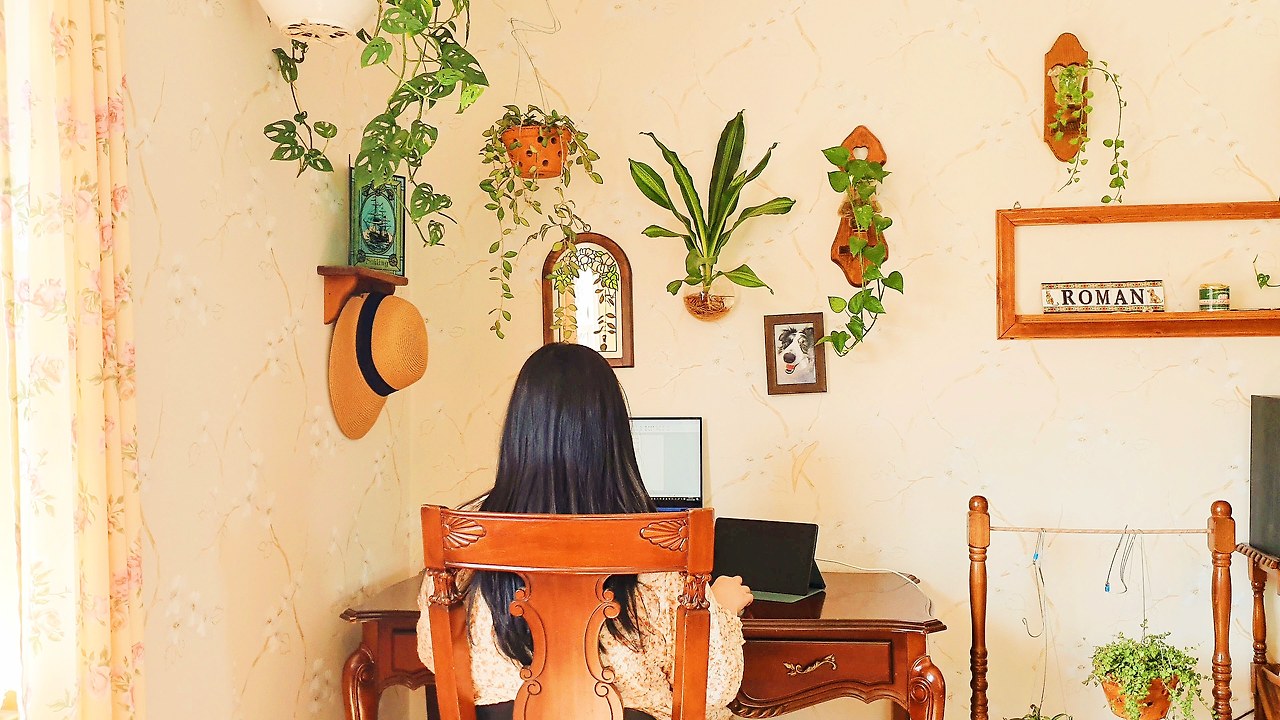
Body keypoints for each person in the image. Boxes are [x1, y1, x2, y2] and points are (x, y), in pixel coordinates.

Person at [417, 343, 752, 720]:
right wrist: (721, 607)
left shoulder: (465, 534)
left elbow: (433, 655)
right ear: (613, 436)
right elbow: (711, 690)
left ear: (520, 430)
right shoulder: (656, 544)